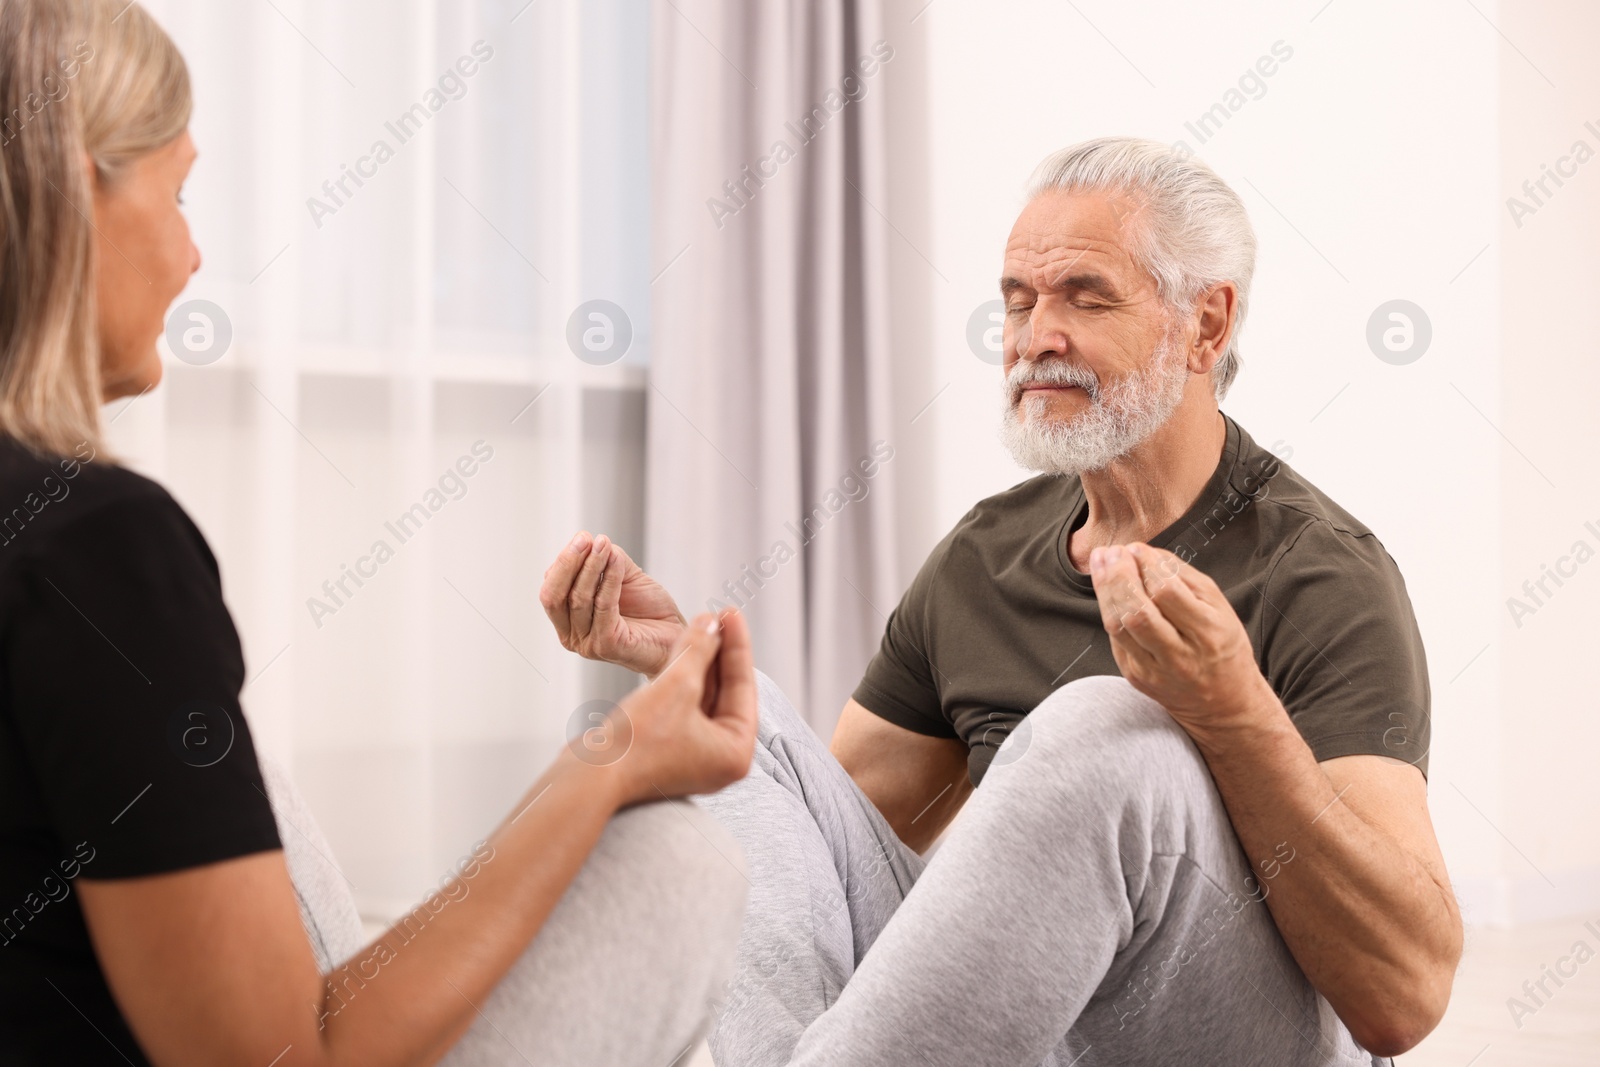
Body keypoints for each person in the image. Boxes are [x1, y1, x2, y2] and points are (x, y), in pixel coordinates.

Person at [540, 137, 1463, 1065]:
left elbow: (1403, 998)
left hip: (1226, 1032)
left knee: (1109, 725)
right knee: (739, 744)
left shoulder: (1322, 574)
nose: (1034, 337)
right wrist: (690, 663)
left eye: (1085, 297)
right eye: (1018, 301)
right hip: (1025, 1032)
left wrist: (1232, 713)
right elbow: (831, 848)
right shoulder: (986, 554)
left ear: (1206, 326)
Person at [0, 2, 756, 1064]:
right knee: (685, 861)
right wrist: (614, 759)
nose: (192, 254)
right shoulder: (96, 547)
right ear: (77, 193)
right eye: (177, 193)